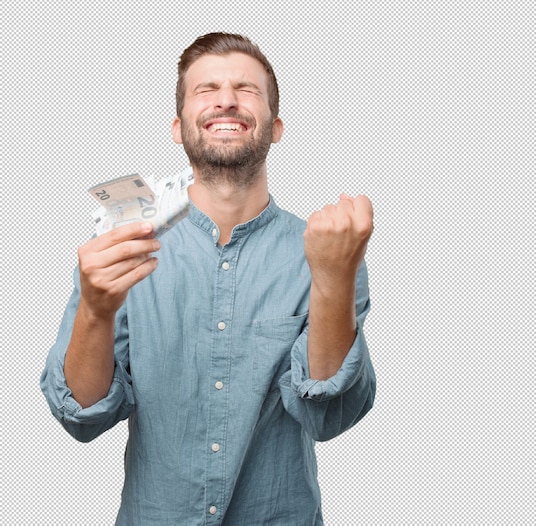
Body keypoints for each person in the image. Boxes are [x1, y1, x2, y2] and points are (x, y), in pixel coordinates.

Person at [41, 32, 375, 525]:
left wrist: (332, 277)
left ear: (276, 126)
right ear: (177, 127)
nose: (225, 99)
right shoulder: (122, 246)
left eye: (246, 88)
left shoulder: (328, 252)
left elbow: (330, 415)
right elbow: (83, 416)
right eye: (207, 89)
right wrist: (95, 308)